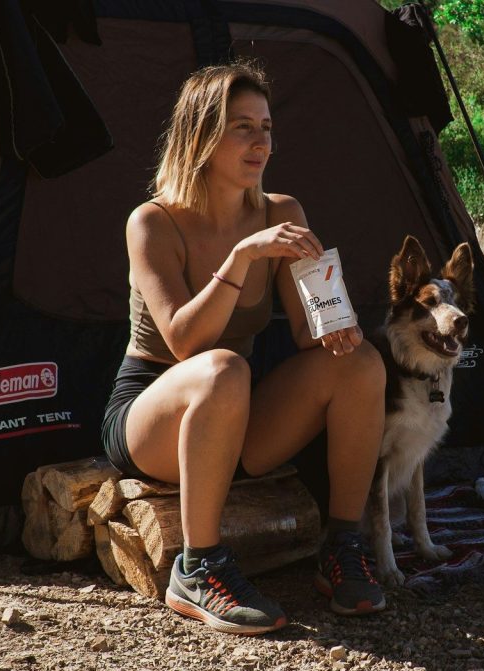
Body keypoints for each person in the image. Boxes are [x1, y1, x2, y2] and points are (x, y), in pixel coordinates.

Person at [100, 61, 387, 635]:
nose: (262, 142)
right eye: (242, 127)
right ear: (201, 136)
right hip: (152, 411)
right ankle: (198, 567)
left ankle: (342, 546)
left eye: (267, 127)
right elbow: (184, 342)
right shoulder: (152, 222)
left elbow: (312, 340)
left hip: (237, 408)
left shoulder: (282, 212)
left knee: (360, 364)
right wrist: (241, 258)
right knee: (222, 367)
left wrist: (334, 316)